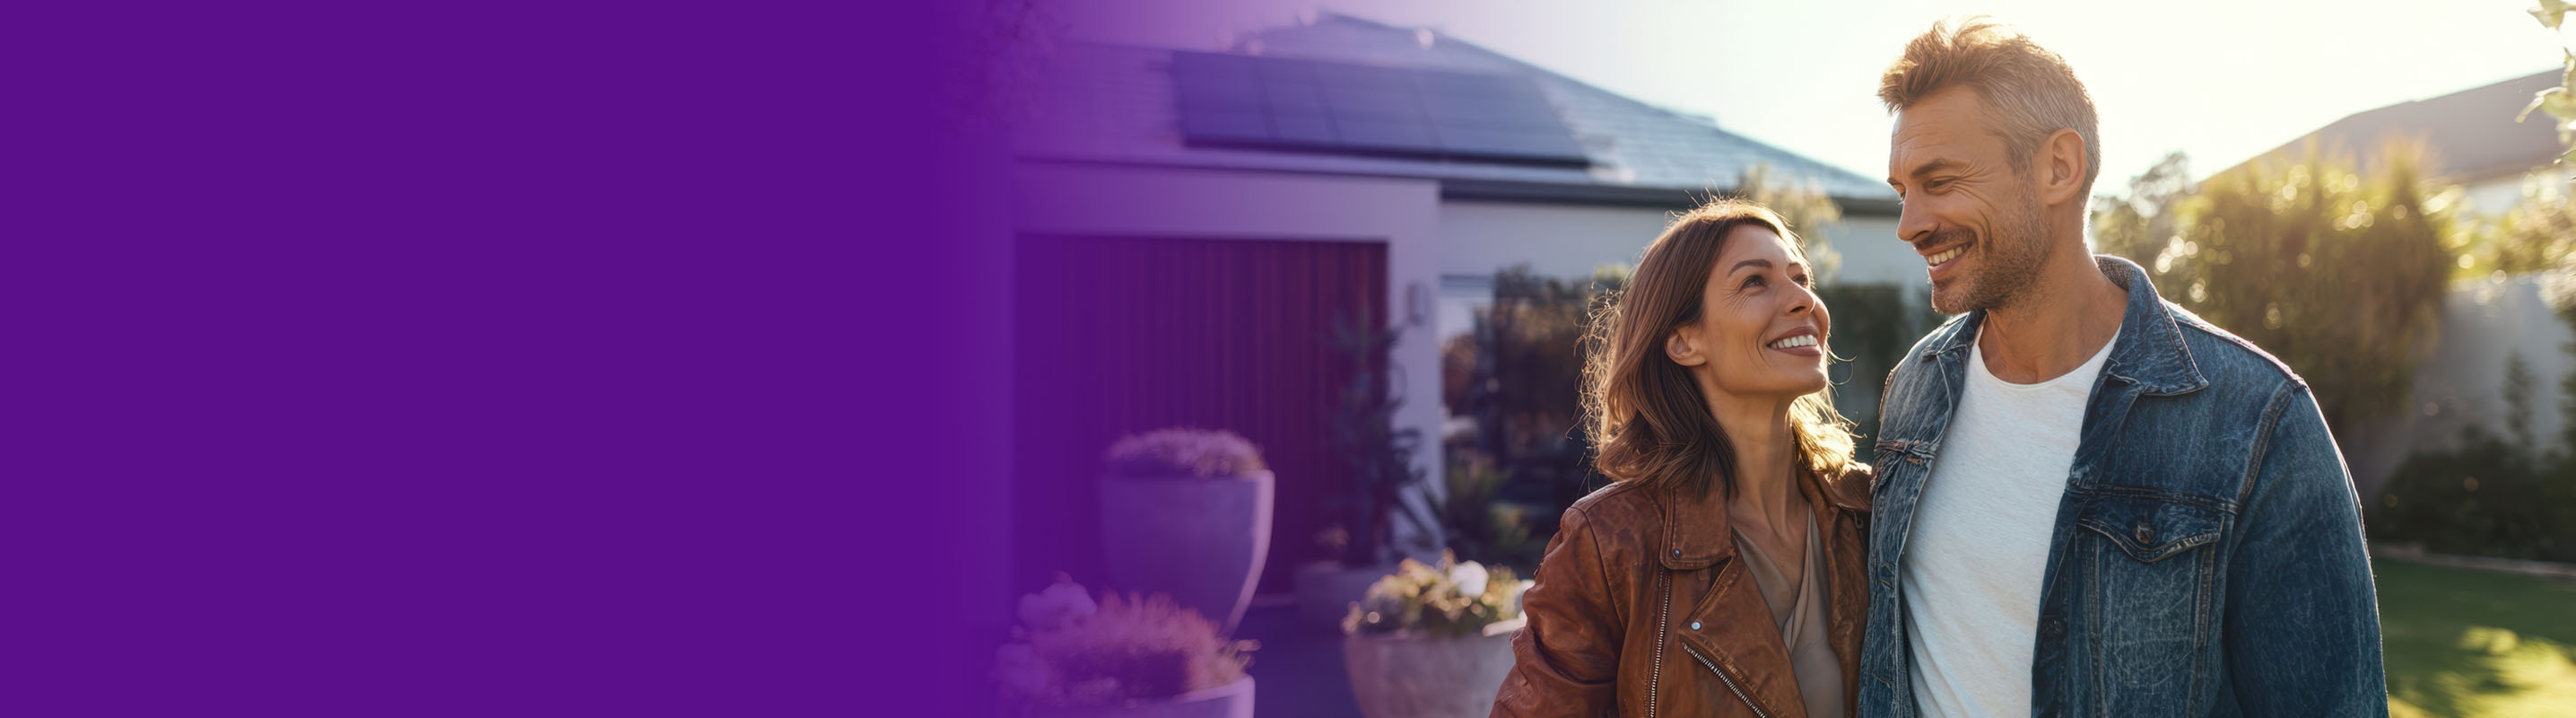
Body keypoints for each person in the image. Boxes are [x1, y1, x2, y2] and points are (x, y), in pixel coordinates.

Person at [1857, 18, 2387, 717]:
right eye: (1903, 191)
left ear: (2059, 168)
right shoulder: (1915, 386)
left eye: (1940, 181)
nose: (1910, 223)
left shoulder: (2255, 416)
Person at [1493, 199, 1872, 717]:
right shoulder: (1608, 543)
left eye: (1801, 277)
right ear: (1684, 341)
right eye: (1755, 282)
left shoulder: (1868, 509)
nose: (1804, 299)